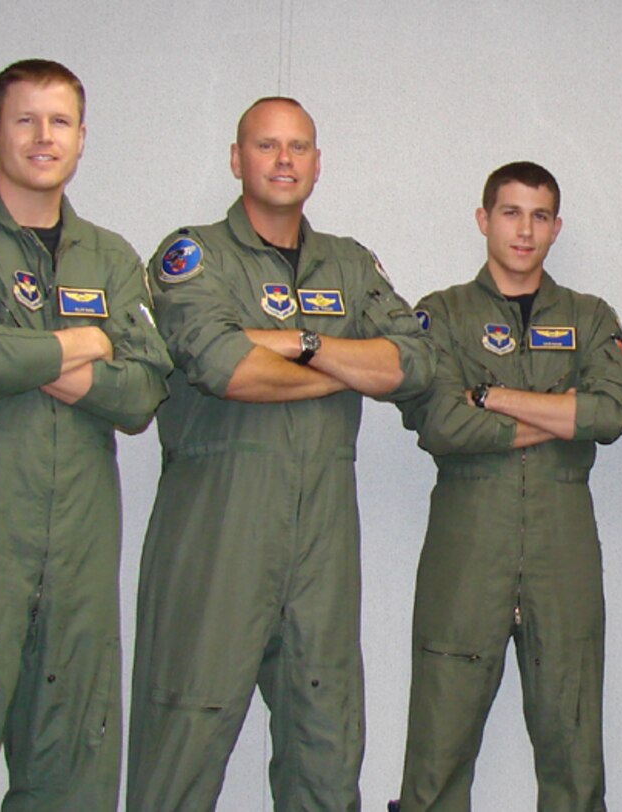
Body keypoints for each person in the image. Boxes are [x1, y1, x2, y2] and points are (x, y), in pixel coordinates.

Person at [127, 96, 431, 811]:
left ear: (318, 164)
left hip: (323, 544)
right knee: (184, 739)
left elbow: (413, 365)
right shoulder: (193, 254)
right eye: (267, 146)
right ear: (237, 159)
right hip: (217, 533)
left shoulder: (350, 265)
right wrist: (342, 367)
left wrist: (302, 342)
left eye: (298, 147)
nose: (284, 160)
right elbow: (222, 366)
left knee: (326, 747)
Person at [0, 59, 171, 809]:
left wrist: (27, 350)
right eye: (25, 119)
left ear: (81, 139)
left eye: (60, 122)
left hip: (77, 554)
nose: (43, 137)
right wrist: (85, 341)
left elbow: (144, 389)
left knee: (72, 782)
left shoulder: (108, 255)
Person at [394, 161, 622, 810]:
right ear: (483, 219)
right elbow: (441, 421)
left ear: (556, 227)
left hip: (564, 554)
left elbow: (612, 412)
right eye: (510, 212)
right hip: (466, 549)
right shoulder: (439, 314)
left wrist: (495, 398)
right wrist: (560, 413)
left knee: (574, 753)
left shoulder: (590, 317)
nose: (524, 230)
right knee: (437, 754)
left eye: (539, 216)